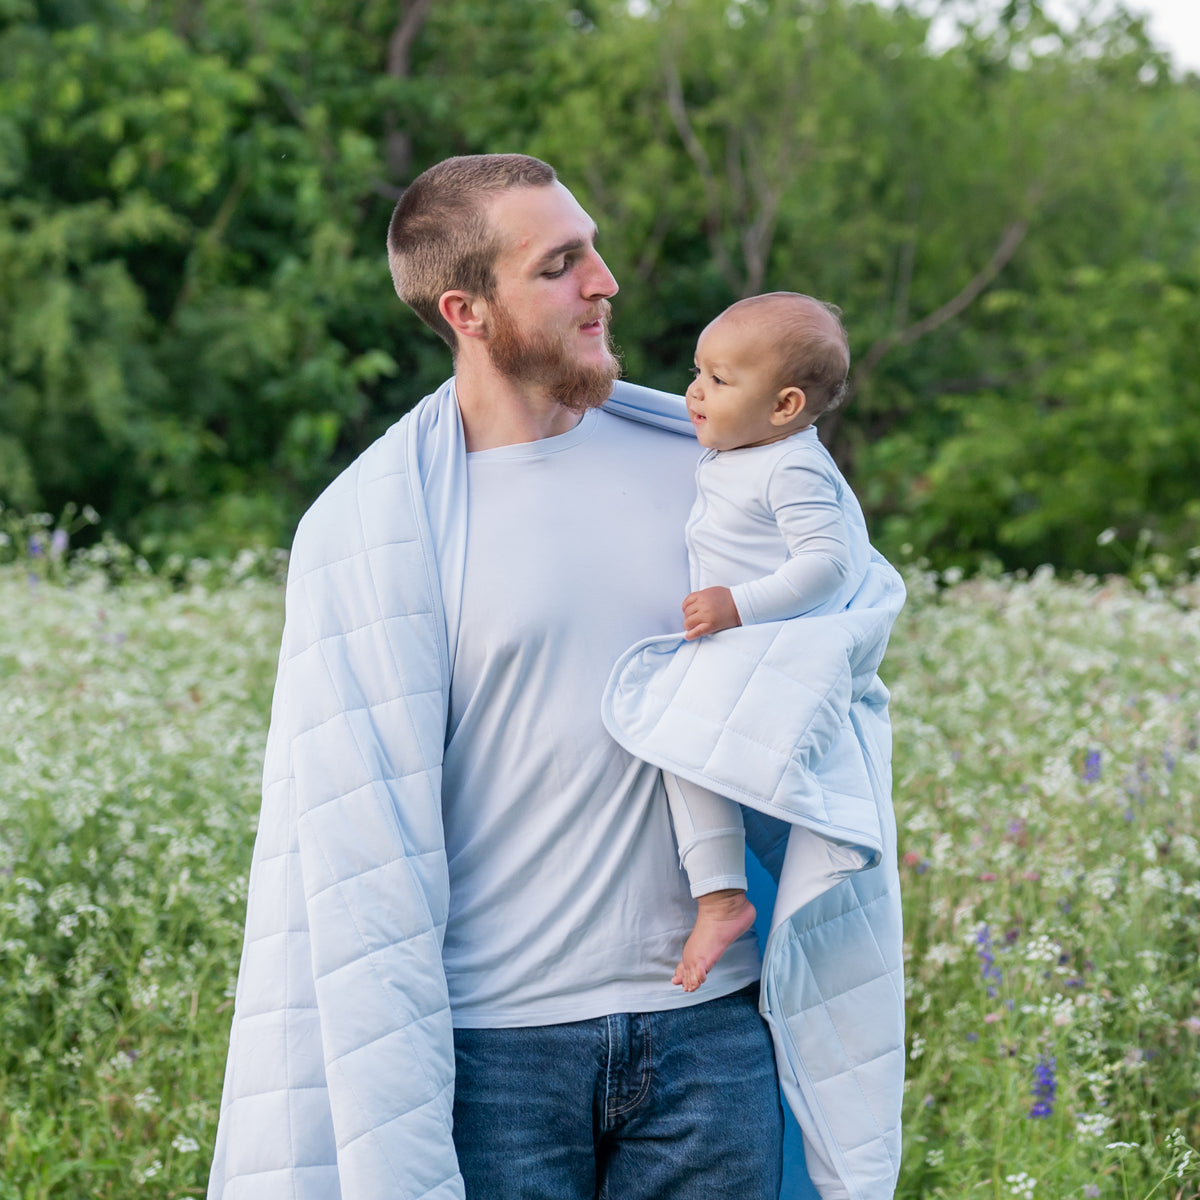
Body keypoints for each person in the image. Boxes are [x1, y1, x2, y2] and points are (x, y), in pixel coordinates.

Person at [206, 154, 784, 1200]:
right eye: (560, 265)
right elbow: (353, 837)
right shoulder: (370, 528)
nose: (605, 281)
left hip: (707, 1037)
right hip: (498, 1057)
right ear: (465, 311)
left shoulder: (705, 469)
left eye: (593, 249)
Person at [659, 292, 872, 993]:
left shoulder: (792, 465)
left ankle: (724, 899)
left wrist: (736, 605)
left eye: (719, 380)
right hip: (734, 648)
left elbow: (828, 564)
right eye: (697, 371)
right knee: (683, 755)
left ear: (784, 407)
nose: (695, 391)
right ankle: (724, 895)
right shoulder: (740, 449)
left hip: (761, 647)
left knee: (682, 744)